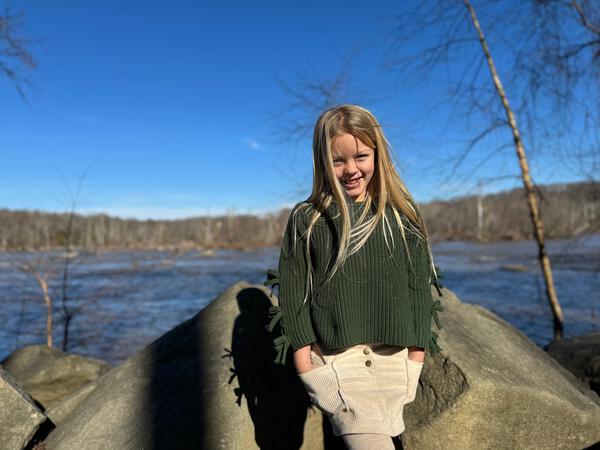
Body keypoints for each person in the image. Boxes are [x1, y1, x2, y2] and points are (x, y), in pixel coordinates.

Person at [264, 104, 444, 449]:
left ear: (377, 153)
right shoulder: (308, 218)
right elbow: (293, 289)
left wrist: (416, 355)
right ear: (322, 162)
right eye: (338, 160)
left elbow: (418, 286)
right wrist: (304, 360)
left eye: (360, 156)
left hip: (395, 362)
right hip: (340, 364)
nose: (351, 170)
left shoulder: (399, 213)